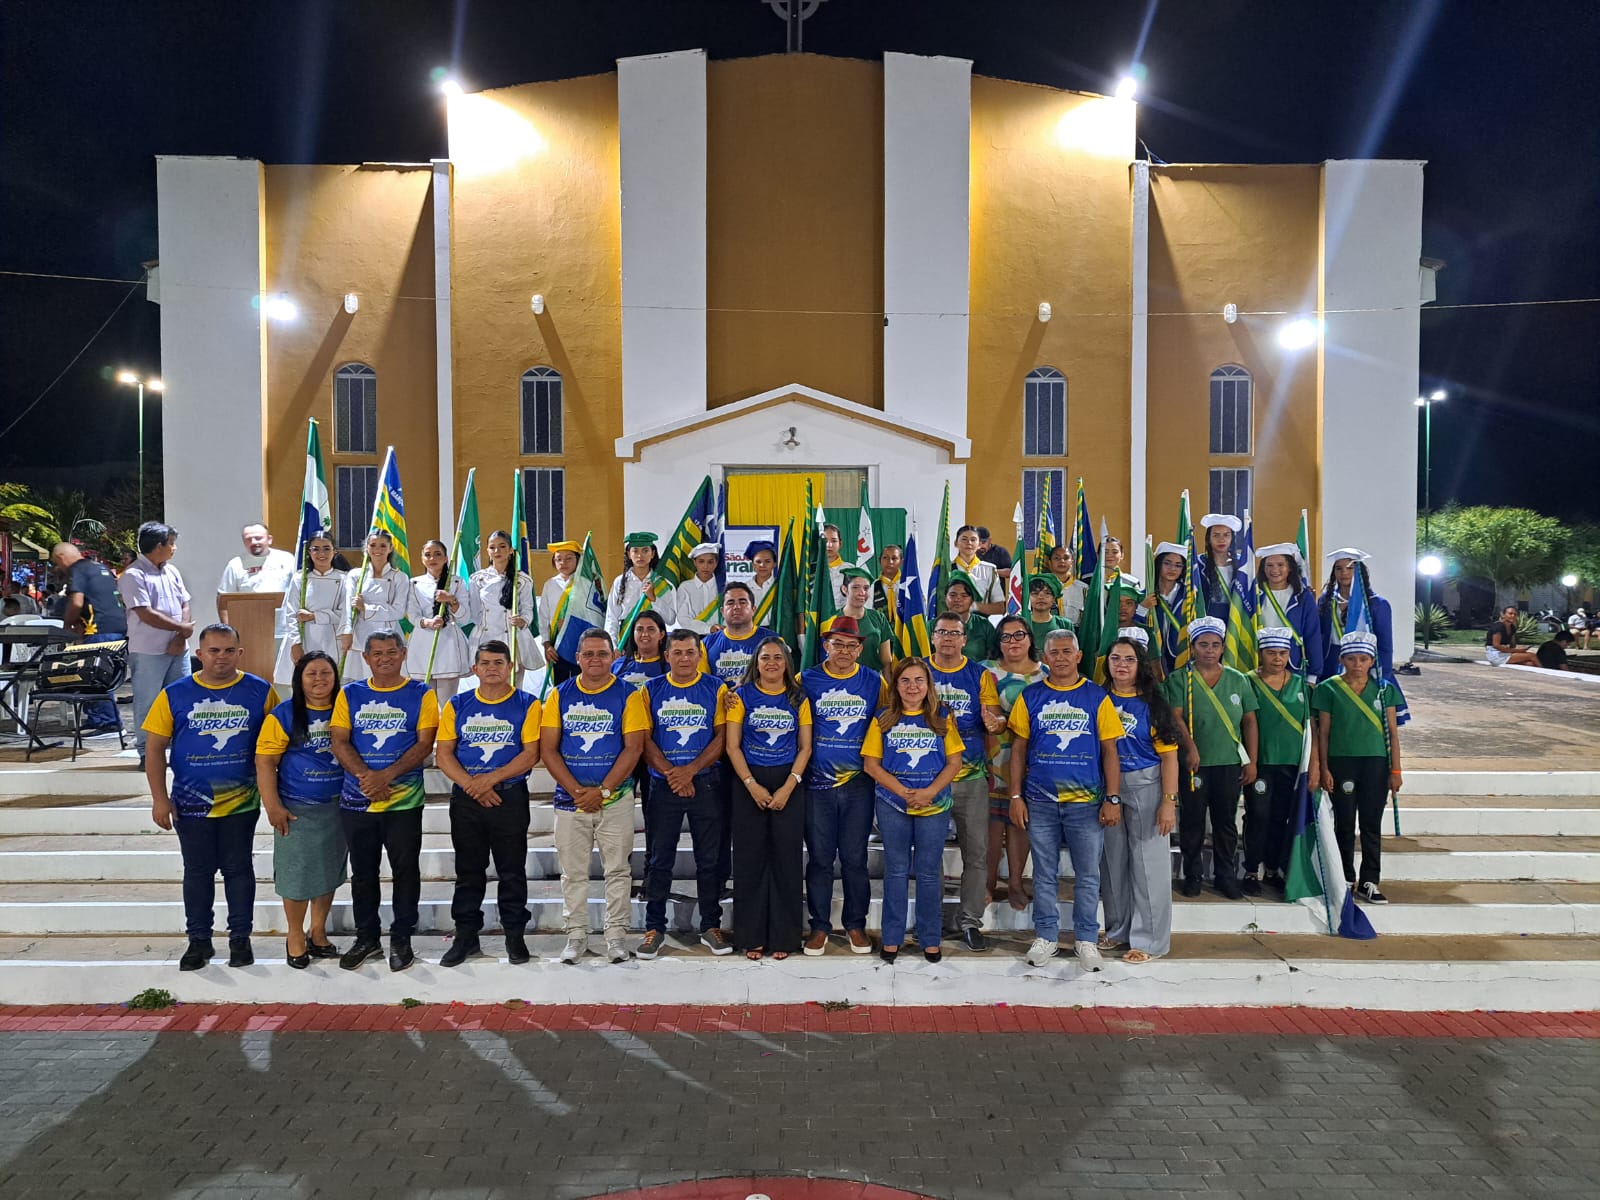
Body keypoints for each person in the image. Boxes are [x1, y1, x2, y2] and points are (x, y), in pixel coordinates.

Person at [142, 623, 276, 971]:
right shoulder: (174, 694)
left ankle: (240, 939)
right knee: (197, 872)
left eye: (229, 650)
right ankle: (198, 941)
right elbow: (154, 749)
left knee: (238, 869)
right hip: (190, 803)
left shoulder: (260, 692)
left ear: (239, 653)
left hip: (241, 802)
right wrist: (159, 798)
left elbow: (276, 747)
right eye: (213, 651)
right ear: (199, 654)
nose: (221, 657)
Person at [1006, 629, 1124, 969]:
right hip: (1039, 802)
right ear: (1044, 658)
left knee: (1088, 875)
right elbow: (1018, 750)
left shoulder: (1096, 697)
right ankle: (1046, 936)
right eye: (1053, 652)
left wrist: (1112, 799)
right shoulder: (1030, 696)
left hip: (1086, 803)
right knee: (1044, 872)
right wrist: (1016, 795)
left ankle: (1086, 939)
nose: (1059, 658)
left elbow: (1110, 751)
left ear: (1077, 656)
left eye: (1066, 652)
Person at [329, 630, 439, 972]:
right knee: (363, 872)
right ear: (366, 658)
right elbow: (339, 740)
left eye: (391, 652)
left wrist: (386, 776)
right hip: (357, 801)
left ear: (404, 654)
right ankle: (367, 938)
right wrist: (367, 777)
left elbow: (424, 745)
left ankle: (402, 937)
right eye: (377, 653)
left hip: (403, 801)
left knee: (405, 871)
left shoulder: (422, 694)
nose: (384, 658)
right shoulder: (350, 694)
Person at [540, 628, 648, 964]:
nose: (595, 660)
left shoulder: (628, 695)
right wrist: (577, 791)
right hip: (569, 801)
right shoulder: (560, 694)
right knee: (573, 873)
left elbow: (633, 749)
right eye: (588, 654)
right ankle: (576, 937)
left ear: (614, 656)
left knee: (618, 872)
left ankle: (616, 937)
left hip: (615, 800)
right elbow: (548, 749)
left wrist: (602, 792)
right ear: (578, 657)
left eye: (602, 653)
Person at [434, 639, 541, 967]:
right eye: (486, 663)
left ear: (511, 667)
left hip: (508, 797)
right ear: (475, 668)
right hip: (466, 799)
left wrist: (489, 781)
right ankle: (466, 936)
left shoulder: (528, 703)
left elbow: (530, 754)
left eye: (499, 662)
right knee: (468, 871)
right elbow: (444, 754)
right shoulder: (457, 704)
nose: (492, 668)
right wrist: (472, 785)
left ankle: (514, 934)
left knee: (512, 870)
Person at [627, 628, 731, 958]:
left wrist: (690, 771)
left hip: (707, 783)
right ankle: (654, 927)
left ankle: (710, 925)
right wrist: (673, 774)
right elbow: (644, 738)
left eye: (690, 652)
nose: (684, 658)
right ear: (667, 655)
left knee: (709, 859)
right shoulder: (650, 690)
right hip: (662, 785)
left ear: (700, 656)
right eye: (678, 652)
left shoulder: (716, 688)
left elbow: (721, 737)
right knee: (659, 859)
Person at [862, 658, 965, 963]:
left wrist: (929, 792)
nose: (912, 687)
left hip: (933, 804)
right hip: (894, 803)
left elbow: (954, 763)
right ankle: (892, 937)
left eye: (919, 680)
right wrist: (904, 792)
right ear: (895, 685)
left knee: (929, 872)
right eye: (905, 680)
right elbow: (871, 765)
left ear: (928, 685)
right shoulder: (882, 718)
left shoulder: (942, 716)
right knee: (895, 870)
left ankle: (930, 938)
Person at [800, 615, 887, 956]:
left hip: (858, 785)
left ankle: (855, 924)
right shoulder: (806, 679)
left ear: (860, 649)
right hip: (817, 785)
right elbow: (778, 700)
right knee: (820, 859)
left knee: (854, 859)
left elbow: (888, 721)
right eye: (838, 644)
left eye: (852, 645)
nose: (844, 651)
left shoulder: (873, 681)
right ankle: (819, 926)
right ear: (825, 645)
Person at [256, 650, 346, 968]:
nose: (319, 679)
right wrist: (273, 806)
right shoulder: (284, 715)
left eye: (326, 673)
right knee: (297, 877)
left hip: (338, 807)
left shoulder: (344, 710)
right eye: (312, 674)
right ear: (300, 679)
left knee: (328, 872)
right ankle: (295, 934)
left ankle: (317, 931)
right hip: (297, 809)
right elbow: (265, 762)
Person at [724, 636, 812, 959]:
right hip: (749, 783)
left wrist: (789, 785)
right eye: (765, 658)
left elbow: (805, 747)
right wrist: (751, 784)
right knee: (749, 861)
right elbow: (732, 746)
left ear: (787, 663)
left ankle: (784, 937)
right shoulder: (740, 696)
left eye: (778, 657)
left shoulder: (797, 697)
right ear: (756, 662)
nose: (772, 663)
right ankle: (751, 935)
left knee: (787, 862)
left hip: (789, 783)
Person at [1164, 616, 1259, 899]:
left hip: (1229, 763)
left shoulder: (1237, 679)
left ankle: (1225, 875)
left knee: (1225, 823)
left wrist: (1251, 761)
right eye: (1203, 644)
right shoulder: (1181, 679)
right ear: (1193, 647)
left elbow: (1250, 721)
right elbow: (1175, 717)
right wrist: (1190, 748)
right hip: (1194, 765)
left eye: (1215, 645)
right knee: (1192, 821)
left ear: (1222, 648)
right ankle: (1192, 874)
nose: (1209, 650)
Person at [1101, 635, 1180, 963]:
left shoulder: (1153, 703)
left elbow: (1170, 757)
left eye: (1129, 659)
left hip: (1147, 785)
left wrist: (1168, 801)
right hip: (1107, 788)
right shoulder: (1097, 698)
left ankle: (1148, 941)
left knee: (1149, 864)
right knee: (1113, 862)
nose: (1121, 665)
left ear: (1140, 665)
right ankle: (1118, 929)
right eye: (1115, 658)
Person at [927, 611, 1000, 951]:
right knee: (930, 854)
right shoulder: (917, 672)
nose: (948, 638)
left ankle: (970, 921)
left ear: (964, 639)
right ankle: (934, 922)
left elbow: (992, 718)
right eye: (942, 632)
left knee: (976, 854)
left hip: (970, 777)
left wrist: (994, 722)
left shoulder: (979, 675)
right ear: (932, 636)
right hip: (928, 778)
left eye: (955, 633)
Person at [1314, 631, 1404, 903]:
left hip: (1375, 763)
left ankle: (1369, 880)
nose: (1357, 664)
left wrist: (1396, 770)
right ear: (1342, 659)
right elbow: (1323, 733)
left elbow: (1392, 732)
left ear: (1371, 660)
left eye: (1363, 659)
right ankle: (1344, 876)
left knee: (1370, 823)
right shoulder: (1328, 688)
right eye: (1351, 659)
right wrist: (1325, 768)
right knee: (1344, 822)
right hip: (1342, 762)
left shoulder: (1385, 689)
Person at [1246, 628, 1318, 894]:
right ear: (1261, 654)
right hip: (1261, 761)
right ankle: (1252, 870)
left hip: (1292, 764)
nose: (1277, 658)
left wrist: (1315, 766)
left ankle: (1274, 868)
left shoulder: (1302, 686)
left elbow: (1312, 728)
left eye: (1283, 653)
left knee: (1280, 816)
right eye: (1271, 653)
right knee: (1257, 815)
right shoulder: (1248, 681)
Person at [119, 522, 194, 768]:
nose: (174, 548)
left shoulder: (172, 572)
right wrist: (180, 629)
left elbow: (184, 603)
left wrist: (181, 636)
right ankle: (146, 752)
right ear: (159, 546)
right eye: (171, 543)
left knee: (181, 699)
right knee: (148, 701)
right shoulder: (133, 575)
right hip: (148, 650)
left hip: (178, 648)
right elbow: (145, 613)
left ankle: (180, 749)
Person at [981, 614, 1044, 912]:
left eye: (1019, 635)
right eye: (1006, 637)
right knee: (991, 824)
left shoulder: (1045, 674)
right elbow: (985, 714)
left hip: (1033, 758)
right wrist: (995, 724)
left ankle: (1016, 882)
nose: (1013, 641)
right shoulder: (985, 672)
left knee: (1020, 822)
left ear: (1030, 639)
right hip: (991, 756)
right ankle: (988, 882)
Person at [50, 542, 128, 734]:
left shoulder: (78, 570)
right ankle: (98, 719)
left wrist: (68, 624)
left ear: (61, 558)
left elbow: (76, 603)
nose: (58, 569)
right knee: (102, 675)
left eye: (56, 564)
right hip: (117, 627)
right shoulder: (99, 567)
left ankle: (107, 722)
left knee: (92, 675)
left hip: (97, 629)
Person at [275, 534, 351, 687]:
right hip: (305, 639)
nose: (321, 554)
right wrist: (295, 643)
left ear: (334, 551)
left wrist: (315, 616)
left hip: (332, 640)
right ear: (309, 552)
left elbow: (345, 614)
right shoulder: (300, 578)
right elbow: (291, 614)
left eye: (326, 549)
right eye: (315, 549)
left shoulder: (345, 579)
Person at [469, 530, 543, 683]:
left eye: (502, 546)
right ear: (487, 551)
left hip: (513, 638)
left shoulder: (522, 580)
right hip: (486, 639)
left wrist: (523, 620)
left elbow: (528, 609)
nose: (497, 551)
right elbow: (475, 612)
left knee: (513, 688)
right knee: (488, 686)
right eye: (492, 547)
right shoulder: (477, 579)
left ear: (510, 550)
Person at [405, 538, 472, 707]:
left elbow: (465, 617)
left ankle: (446, 731)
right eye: (428, 555)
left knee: (447, 702)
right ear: (422, 559)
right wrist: (427, 622)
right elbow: (412, 614)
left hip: (448, 643)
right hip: (422, 643)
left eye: (437, 554)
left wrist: (451, 600)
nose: (432, 558)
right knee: (425, 701)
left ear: (445, 558)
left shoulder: (456, 582)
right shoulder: (414, 583)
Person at [344, 531, 415, 684]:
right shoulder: (355, 575)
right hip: (360, 638)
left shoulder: (399, 577)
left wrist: (366, 608)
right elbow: (347, 608)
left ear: (390, 548)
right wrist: (347, 631)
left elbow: (398, 611)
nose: (378, 549)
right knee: (362, 684)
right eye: (373, 545)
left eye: (383, 545)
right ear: (366, 548)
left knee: (391, 681)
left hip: (390, 637)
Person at [1317, 548, 1398, 678]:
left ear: (1360, 571)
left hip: (1362, 661)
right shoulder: (1326, 600)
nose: (1344, 572)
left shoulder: (1376, 604)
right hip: (1331, 660)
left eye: (1350, 568)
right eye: (1339, 568)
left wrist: (1381, 673)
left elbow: (1384, 644)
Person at [1254, 543, 1324, 680]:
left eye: (1280, 565)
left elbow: (1312, 635)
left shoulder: (1303, 596)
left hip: (1293, 663)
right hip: (1260, 662)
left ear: (1290, 568)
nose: (1275, 570)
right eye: (1269, 565)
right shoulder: (1254, 594)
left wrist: (1313, 675)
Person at [701, 582, 775, 686]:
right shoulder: (706, 645)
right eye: (730, 603)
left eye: (742, 602)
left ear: (753, 609)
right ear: (722, 611)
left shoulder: (774, 641)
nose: (736, 607)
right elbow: (703, 685)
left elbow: (780, 682)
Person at [607, 532, 677, 637]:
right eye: (635, 551)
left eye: (645, 551)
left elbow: (670, 619)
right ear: (628, 554)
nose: (640, 556)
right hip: (626, 639)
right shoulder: (620, 582)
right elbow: (612, 617)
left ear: (652, 553)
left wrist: (653, 599)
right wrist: (613, 646)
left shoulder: (660, 582)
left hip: (654, 638)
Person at [216, 522, 298, 602]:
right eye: (248, 539)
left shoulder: (287, 559)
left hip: (282, 614)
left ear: (269, 539)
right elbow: (223, 598)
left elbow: (299, 588)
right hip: (248, 614)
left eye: (258, 538)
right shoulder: (235, 565)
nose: (254, 542)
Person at [1139, 542, 1188, 676]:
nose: (1172, 569)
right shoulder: (1145, 595)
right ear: (1159, 564)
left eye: (1178, 565)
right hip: (1153, 659)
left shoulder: (1188, 595)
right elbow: (1135, 626)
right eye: (1167, 563)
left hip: (1180, 656)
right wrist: (1142, 608)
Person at [538, 540, 582, 685]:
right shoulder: (550, 584)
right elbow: (543, 617)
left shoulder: (585, 583)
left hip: (580, 643)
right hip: (556, 644)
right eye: (558, 559)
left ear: (578, 559)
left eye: (569, 558)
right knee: (560, 684)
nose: (563, 562)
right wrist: (546, 645)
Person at [838, 566, 895, 670]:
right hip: (841, 683)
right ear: (844, 589)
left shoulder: (878, 618)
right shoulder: (833, 619)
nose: (862, 593)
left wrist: (888, 685)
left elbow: (886, 661)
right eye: (855, 587)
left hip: (872, 681)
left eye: (866, 588)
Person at [944, 573, 998, 662]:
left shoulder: (985, 626)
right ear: (945, 598)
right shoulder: (932, 626)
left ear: (972, 600)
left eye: (964, 595)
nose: (958, 599)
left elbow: (994, 660)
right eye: (953, 595)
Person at [1197, 514, 1241, 622]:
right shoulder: (1198, 563)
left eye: (1226, 535)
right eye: (1216, 535)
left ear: (1232, 538)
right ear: (1209, 538)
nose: (1221, 540)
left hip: (1235, 620)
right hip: (1206, 619)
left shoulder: (1241, 563)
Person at [953, 525, 1005, 614]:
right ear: (956, 543)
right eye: (964, 539)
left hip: (980, 624)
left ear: (979, 545)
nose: (969, 542)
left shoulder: (989, 570)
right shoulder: (947, 569)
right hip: (952, 623)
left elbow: (1000, 608)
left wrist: (975, 606)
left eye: (973, 540)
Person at [674, 543, 723, 635]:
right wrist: (708, 629)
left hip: (721, 636)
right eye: (701, 561)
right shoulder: (685, 587)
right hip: (692, 637)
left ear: (716, 563)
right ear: (694, 562)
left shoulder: (724, 587)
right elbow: (683, 618)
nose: (705, 566)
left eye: (710, 562)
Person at [1025, 573, 1073, 653]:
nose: (1040, 597)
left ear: (1054, 599)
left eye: (1047, 593)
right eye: (1035, 594)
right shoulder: (1021, 623)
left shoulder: (1064, 624)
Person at [1045, 544, 1088, 624]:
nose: (1062, 561)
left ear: (1071, 562)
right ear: (1049, 563)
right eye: (1057, 558)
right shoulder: (1042, 588)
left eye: (1066, 558)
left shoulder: (1083, 589)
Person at [742, 541, 780, 628]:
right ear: (753, 565)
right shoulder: (744, 588)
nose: (762, 565)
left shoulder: (780, 587)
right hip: (751, 632)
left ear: (774, 564)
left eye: (767, 561)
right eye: (758, 562)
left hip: (776, 632)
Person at [872, 543, 903, 615]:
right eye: (885, 558)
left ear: (901, 561)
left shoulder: (908, 584)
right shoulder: (873, 586)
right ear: (880, 561)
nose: (890, 562)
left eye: (894, 558)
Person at [822, 523, 848, 605]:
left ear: (840, 544)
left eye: (834, 541)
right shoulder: (811, 570)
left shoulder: (850, 570)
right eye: (825, 541)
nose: (829, 545)